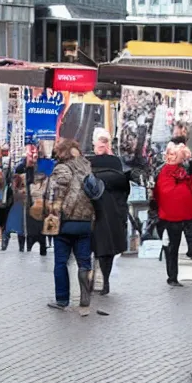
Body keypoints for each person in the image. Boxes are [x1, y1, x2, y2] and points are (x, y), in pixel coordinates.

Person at [47, 139, 94, 316]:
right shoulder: (87, 167)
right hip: (85, 221)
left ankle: (62, 299)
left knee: (60, 262)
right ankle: (84, 296)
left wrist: (53, 211)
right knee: (84, 262)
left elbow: (56, 192)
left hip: (65, 222)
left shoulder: (62, 168)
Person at [89, 129, 130, 296]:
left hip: (100, 210)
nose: (102, 146)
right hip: (109, 211)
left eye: (104, 143)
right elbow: (124, 187)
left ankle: (99, 279)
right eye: (101, 143)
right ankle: (101, 280)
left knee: (99, 247)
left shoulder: (91, 163)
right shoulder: (117, 164)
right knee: (106, 248)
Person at [154, 142, 192, 285]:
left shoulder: (167, 172)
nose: (171, 157)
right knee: (174, 245)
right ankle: (172, 276)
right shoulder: (175, 172)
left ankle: (172, 276)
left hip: (175, 214)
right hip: (176, 214)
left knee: (173, 246)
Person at [1, 174, 25, 252]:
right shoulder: (10, 189)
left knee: (19, 230)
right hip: (13, 210)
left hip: (17, 210)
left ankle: (21, 247)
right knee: (8, 229)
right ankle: (5, 246)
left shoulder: (18, 191)